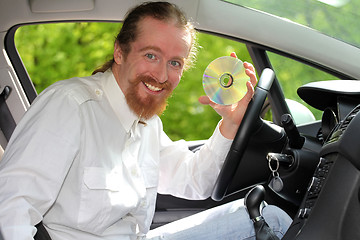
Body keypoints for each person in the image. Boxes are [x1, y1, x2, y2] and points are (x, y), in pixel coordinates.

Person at [0, 1, 291, 240]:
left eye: (175, 62)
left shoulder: (146, 122)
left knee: (268, 218)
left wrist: (230, 123)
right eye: (151, 55)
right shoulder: (70, 106)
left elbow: (194, 181)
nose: (163, 76)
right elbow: (11, 209)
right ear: (119, 52)